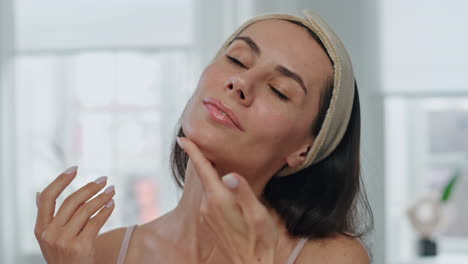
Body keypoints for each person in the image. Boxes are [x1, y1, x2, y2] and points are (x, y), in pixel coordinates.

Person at [34, 11, 373, 264]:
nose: (241, 83)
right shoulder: (103, 253)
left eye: (278, 90)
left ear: (304, 150)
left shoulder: (331, 257)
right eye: (237, 59)